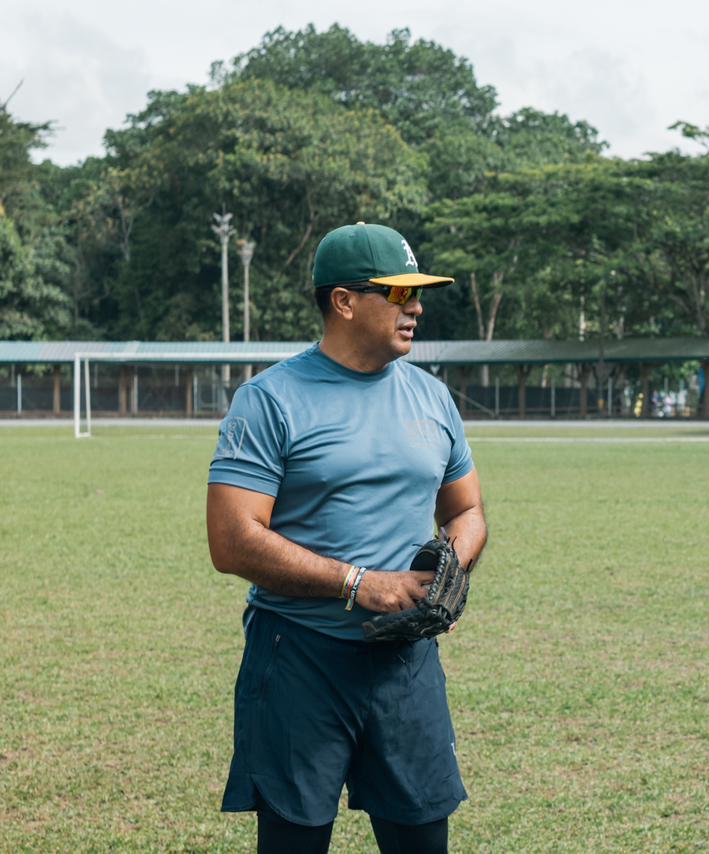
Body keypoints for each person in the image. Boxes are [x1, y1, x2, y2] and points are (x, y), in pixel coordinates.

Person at [206, 222, 487, 854]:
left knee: (421, 840)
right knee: (295, 840)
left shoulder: (433, 398)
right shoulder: (269, 400)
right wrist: (358, 583)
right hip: (300, 656)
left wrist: (453, 561)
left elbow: (467, 511)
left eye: (417, 293)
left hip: (405, 661)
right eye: (397, 293)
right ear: (343, 301)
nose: (416, 307)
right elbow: (231, 540)